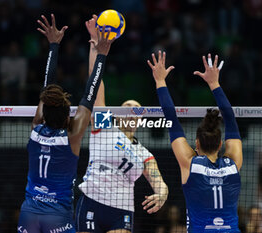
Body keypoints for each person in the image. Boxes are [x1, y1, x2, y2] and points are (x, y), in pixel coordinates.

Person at [17, 14, 115, 233]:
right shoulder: (72, 136)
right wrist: (102, 55)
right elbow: (90, 94)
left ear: (44, 112)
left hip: (28, 215)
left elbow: (46, 89)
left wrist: (53, 45)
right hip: (57, 217)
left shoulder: (35, 129)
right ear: (66, 117)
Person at [75, 15, 169, 233]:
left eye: (135, 110)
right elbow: (95, 85)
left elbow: (158, 181)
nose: (130, 112)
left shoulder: (143, 152)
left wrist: (162, 193)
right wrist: (95, 49)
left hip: (122, 210)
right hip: (92, 200)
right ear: (118, 114)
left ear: (139, 120)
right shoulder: (105, 125)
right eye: (126, 107)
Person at [148, 51, 243, 232]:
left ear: (196, 143)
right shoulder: (233, 164)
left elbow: (171, 119)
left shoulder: (189, 164)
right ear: (221, 143)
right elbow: (231, 119)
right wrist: (214, 83)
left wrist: (160, 81)